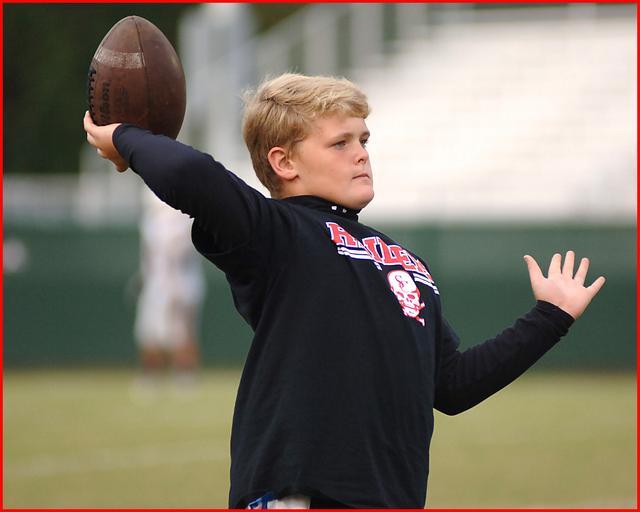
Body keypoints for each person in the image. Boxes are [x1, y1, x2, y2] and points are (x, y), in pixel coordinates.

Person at [84, 73, 605, 509]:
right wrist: (124, 137)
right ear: (284, 163)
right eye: (340, 143)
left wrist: (550, 318)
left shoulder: (406, 262)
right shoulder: (276, 233)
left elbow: (452, 386)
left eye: (363, 141)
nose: (361, 155)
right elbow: (190, 172)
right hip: (300, 495)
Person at [133, 187, 205, 386]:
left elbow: (180, 252)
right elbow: (150, 256)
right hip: (157, 283)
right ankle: (151, 375)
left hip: (182, 282)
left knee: (182, 330)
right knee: (150, 331)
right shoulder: (151, 222)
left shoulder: (186, 219)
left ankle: (185, 374)